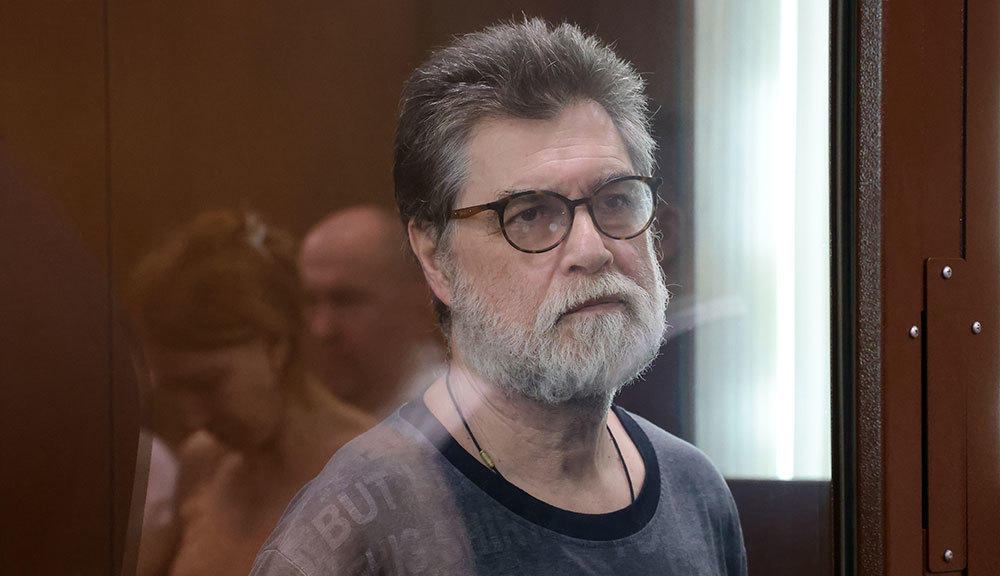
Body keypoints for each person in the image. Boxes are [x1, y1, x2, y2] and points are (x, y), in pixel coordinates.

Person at [252, 19, 747, 575]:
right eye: (530, 214)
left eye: (615, 200)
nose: (592, 249)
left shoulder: (694, 490)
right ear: (435, 257)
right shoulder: (357, 527)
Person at [132, 210, 373, 576]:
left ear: (276, 344)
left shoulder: (378, 473)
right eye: (175, 389)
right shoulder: (205, 462)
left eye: (208, 384)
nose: (194, 417)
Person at [299, 205, 443, 417]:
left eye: (346, 301)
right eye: (309, 301)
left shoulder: (459, 422)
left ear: (420, 310)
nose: (321, 329)